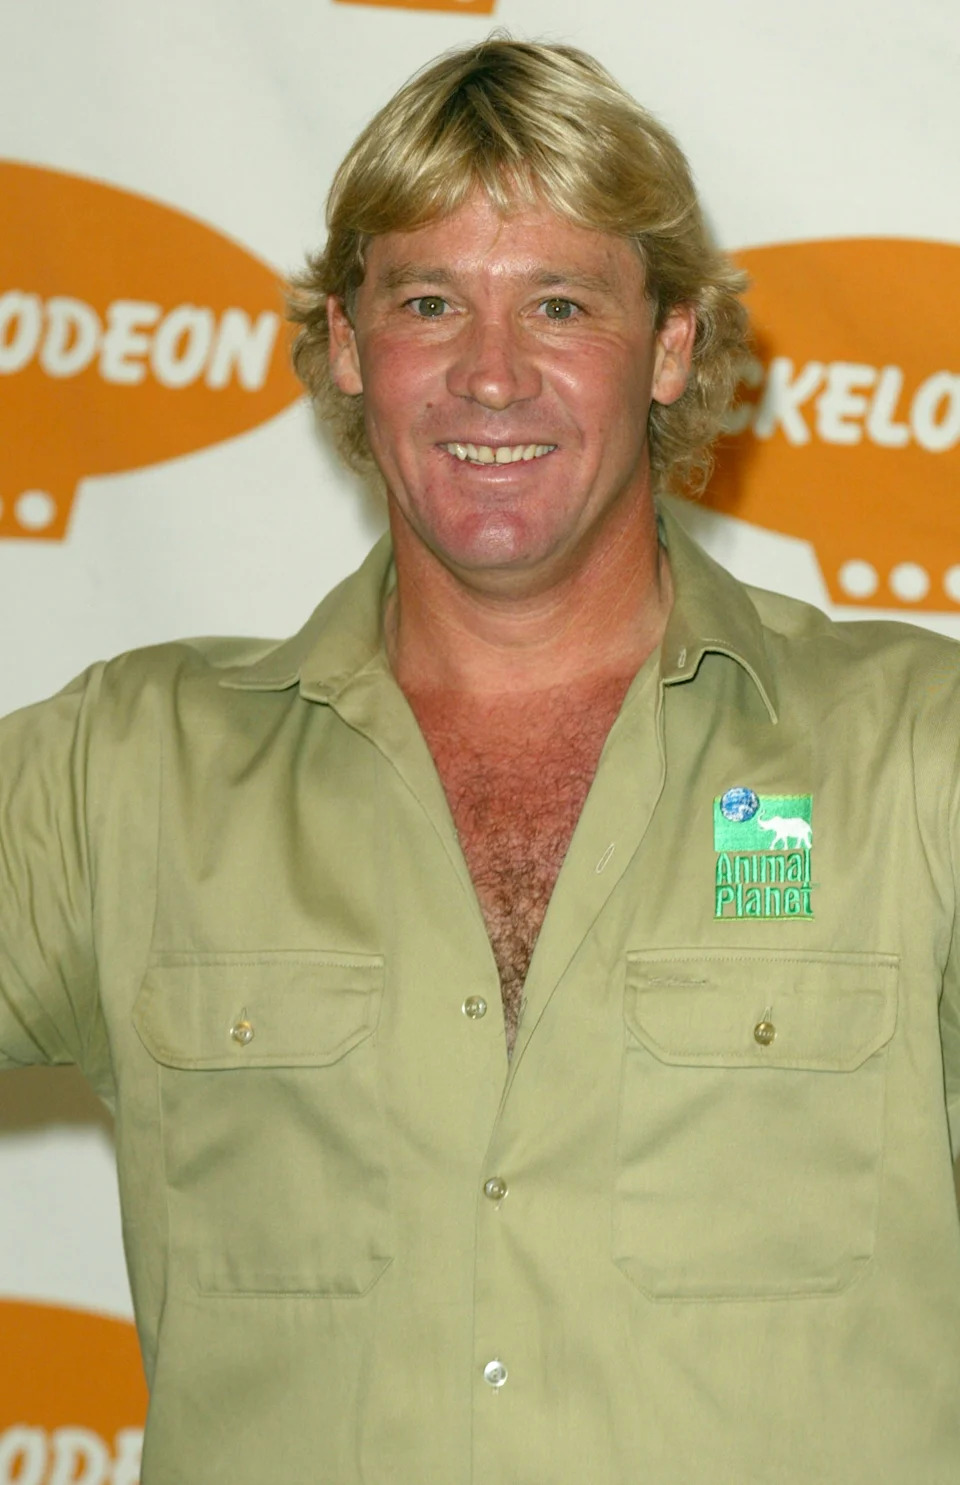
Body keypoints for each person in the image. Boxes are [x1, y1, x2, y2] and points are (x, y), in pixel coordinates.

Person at [2, 36, 959, 1485]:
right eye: (430, 302)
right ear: (346, 341)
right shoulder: (123, 773)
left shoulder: (915, 753)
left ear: (672, 344)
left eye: (559, 304)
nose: (491, 376)